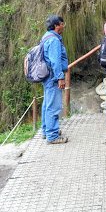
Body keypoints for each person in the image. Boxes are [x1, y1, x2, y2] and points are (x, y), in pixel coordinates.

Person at [41, 15, 68, 144]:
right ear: (57, 25)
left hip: (46, 76)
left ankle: (46, 130)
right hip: (53, 77)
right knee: (53, 106)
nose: (63, 26)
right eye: (62, 24)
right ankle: (52, 136)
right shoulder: (54, 41)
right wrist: (60, 78)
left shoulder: (46, 36)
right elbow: (55, 61)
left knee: (47, 103)